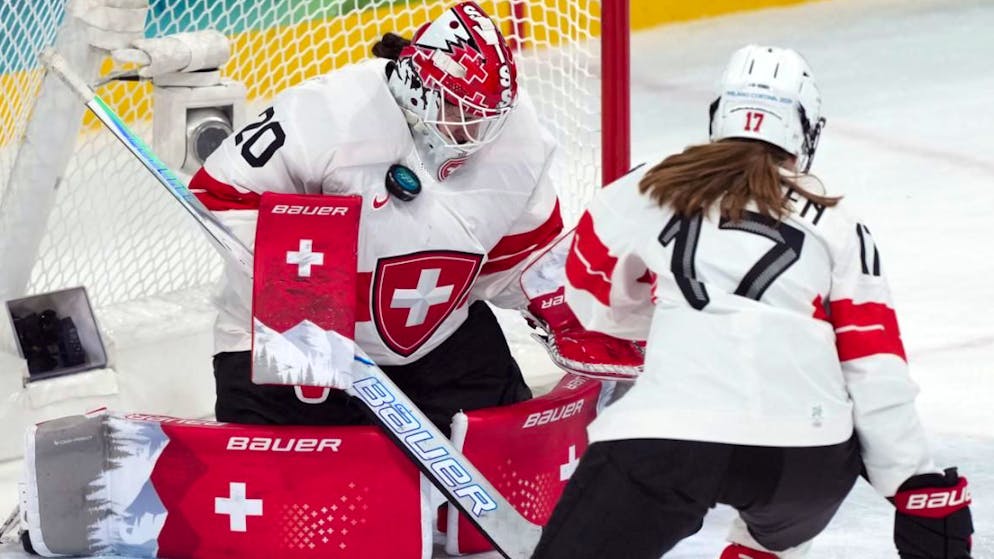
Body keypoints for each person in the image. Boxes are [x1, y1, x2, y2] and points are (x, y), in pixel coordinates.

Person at [530, 45, 973, 559]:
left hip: (671, 433)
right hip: (809, 455)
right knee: (780, 528)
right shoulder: (841, 226)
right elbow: (874, 365)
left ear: (719, 114)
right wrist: (912, 482)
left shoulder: (647, 188)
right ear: (806, 130)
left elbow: (588, 293)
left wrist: (663, 319)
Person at [190, 2, 562, 434]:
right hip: (297, 341)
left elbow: (523, 257)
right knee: (282, 487)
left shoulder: (519, 138)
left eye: (485, 118)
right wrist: (306, 295)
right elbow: (217, 192)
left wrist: (561, 308)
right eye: (459, 111)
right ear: (417, 83)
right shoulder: (323, 113)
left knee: (507, 449)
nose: (472, 133)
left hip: (436, 335)